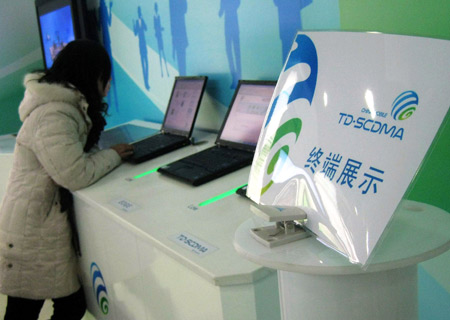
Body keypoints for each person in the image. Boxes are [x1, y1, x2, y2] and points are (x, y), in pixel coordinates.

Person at [0, 39, 133, 319]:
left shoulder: (63, 106)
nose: (108, 85)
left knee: (46, 305)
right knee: (54, 306)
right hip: (32, 231)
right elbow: (74, 173)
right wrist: (113, 155)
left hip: (36, 224)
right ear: (91, 75)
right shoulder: (54, 114)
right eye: (105, 78)